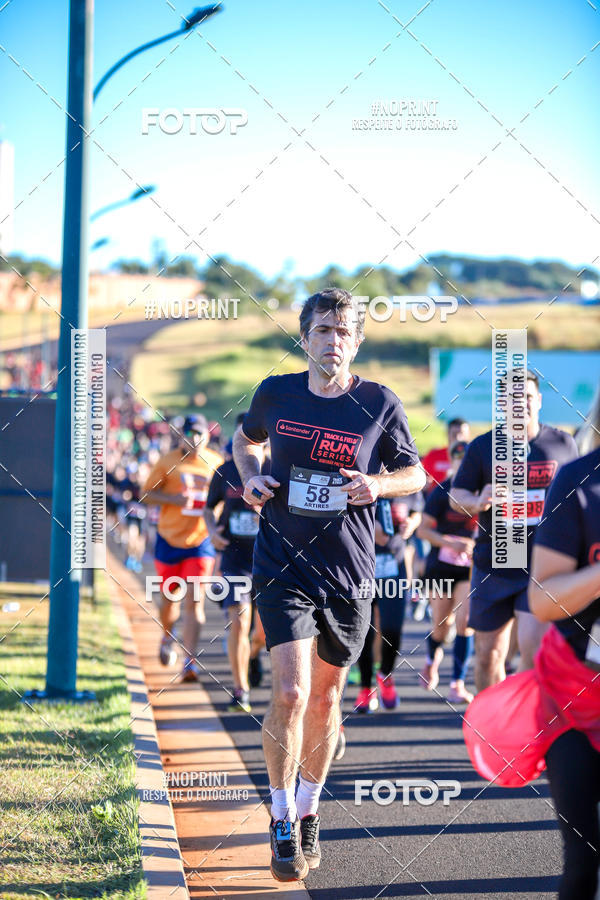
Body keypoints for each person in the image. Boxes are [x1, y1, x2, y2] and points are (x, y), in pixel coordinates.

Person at [232, 288, 425, 882]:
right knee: (289, 692)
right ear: (305, 338)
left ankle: (311, 811)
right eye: (323, 330)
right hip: (282, 561)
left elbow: (415, 472)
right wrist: (250, 480)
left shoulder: (379, 404)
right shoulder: (278, 392)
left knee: (326, 697)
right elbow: (246, 440)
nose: (333, 340)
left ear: (357, 341)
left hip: (349, 569)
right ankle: (282, 817)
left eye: (344, 332)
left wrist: (378, 485)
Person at [451, 371, 578, 691]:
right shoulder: (482, 447)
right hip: (494, 562)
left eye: (528, 397)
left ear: (539, 401)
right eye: (511, 399)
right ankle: (490, 730)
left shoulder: (562, 444)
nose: (520, 405)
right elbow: (457, 497)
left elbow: (583, 497)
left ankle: (524, 729)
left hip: (541, 565)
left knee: (533, 650)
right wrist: (479, 500)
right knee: (488, 656)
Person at [142, 415, 223, 681]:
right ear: (181, 435)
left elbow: (225, 499)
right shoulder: (167, 461)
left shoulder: (216, 462)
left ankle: (190, 661)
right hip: (169, 539)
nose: (194, 439)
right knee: (169, 601)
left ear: (207, 436)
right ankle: (167, 637)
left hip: (200, 542)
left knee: (195, 602)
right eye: (189, 433)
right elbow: (146, 495)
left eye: (199, 433)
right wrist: (173, 499)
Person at [204, 422, 265, 713]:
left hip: (269, 559)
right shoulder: (225, 472)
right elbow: (208, 507)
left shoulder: (276, 468)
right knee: (239, 622)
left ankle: (253, 654)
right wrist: (212, 532)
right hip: (234, 559)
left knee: (261, 635)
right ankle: (241, 690)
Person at [416, 440, 477, 703]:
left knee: (465, 622)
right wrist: (450, 542)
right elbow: (423, 530)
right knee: (441, 625)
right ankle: (431, 659)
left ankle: (457, 683)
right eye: (458, 461)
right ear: (452, 463)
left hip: (469, 569)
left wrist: (476, 545)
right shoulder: (442, 492)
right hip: (440, 567)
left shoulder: (482, 492)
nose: (462, 467)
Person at [355, 494, 422, 712]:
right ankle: (365, 688)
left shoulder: (405, 477)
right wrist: (366, 525)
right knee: (363, 630)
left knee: (393, 628)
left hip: (394, 567)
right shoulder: (361, 471)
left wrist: (412, 523)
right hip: (362, 567)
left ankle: (385, 674)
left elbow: (417, 510)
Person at [421, 418, 470, 494]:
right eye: (454, 434)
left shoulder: (474, 456)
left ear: (468, 434)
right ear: (448, 434)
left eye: (462, 433)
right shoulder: (434, 455)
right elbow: (423, 479)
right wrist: (424, 484)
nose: (458, 438)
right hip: (436, 499)